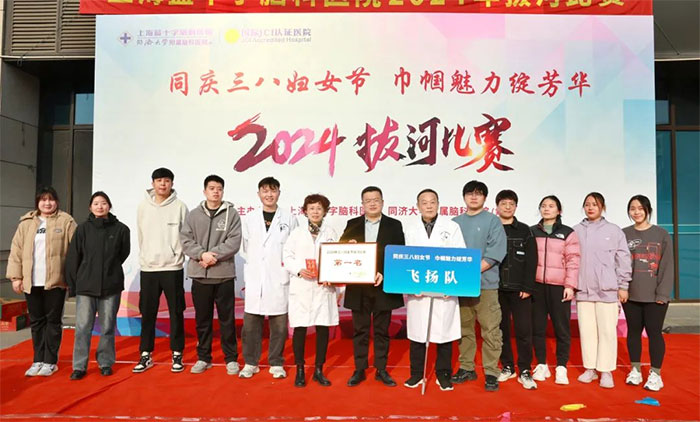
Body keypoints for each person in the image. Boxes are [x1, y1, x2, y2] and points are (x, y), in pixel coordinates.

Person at [7, 187, 76, 377]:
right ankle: (37, 360)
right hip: (31, 281)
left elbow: (75, 250)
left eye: (51, 199)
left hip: (56, 281)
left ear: (57, 202)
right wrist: (16, 277)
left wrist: (71, 278)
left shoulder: (66, 221)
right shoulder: (27, 223)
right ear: (37, 203)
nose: (47, 203)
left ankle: (50, 361)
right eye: (43, 200)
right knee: (37, 321)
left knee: (53, 321)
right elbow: (16, 250)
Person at [340, 186, 405, 387]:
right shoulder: (352, 224)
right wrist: (347, 246)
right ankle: (359, 369)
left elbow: (399, 254)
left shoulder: (394, 225)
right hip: (359, 287)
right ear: (362, 204)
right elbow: (341, 251)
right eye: (368, 201)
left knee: (382, 331)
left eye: (376, 200)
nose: (372, 203)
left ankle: (381, 369)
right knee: (360, 330)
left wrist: (384, 273)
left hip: (382, 285)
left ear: (382, 202)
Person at [403, 189, 465, 392]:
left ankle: (443, 374)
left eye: (432, 202)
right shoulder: (410, 228)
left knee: (444, 333)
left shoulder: (452, 227)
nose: (429, 206)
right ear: (417, 206)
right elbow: (404, 259)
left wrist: (451, 286)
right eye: (424, 202)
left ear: (438, 204)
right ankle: (416, 374)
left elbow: (460, 256)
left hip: (444, 288)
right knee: (418, 332)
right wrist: (410, 285)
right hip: (418, 289)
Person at [180, 175, 242, 375]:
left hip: (223, 275)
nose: (216, 192)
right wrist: (201, 255)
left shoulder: (232, 214)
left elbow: (234, 241)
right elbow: (185, 240)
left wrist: (212, 256)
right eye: (212, 188)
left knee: (227, 320)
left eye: (219, 188)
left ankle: (231, 358)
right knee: (202, 320)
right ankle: (203, 357)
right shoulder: (193, 215)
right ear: (204, 191)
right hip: (200, 276)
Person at [65, 191, 130, 380]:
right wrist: (73, 283)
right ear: (90, 207)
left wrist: (109, 269)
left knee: (108, 326)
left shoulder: (121, 229)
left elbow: (123, 254)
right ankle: (79, 366)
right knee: (83, 327)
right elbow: (74, 256)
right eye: (96, 203)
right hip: (86, 285)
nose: (100, 206)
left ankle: (105, 362)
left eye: (103, 203)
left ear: (109, 206)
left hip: (111, 285)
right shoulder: (82, 229)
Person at [239, 177, 298, 379]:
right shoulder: (249, 218)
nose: (269, 195)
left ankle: (276, 362)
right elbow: (245, 247)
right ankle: (250, 362)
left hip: (279, 277)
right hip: (256, 277)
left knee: (279, 324)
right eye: (265, 191)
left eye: (273, 191)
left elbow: (294, 248)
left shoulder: (289, 218)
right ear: (259, 194)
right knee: (250, 325)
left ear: (279, 193)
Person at [451, 181, 506, 392]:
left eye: (478, 194)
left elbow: (495, 253)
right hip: (460, 286)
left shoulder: (493, 221)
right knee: (464, 328)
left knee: (490, 329)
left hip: (486, 285)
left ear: (485, 198)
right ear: (463, 197)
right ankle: (467, 367)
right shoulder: (454, 223)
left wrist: (468, 272)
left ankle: (491, 371)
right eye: (470, 193)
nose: (473, 197)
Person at [133, 167, 189, 374]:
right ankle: (145, 353)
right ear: (153, 183)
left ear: (172, 183)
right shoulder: (143, 207)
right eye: (159, 180)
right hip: (149, 268)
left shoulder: (180, 206)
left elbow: (186, 235)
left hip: (172, 267)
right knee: (148, 313)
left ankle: (177, 353)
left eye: (166, 180)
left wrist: (176, 255)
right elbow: (141, 235)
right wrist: (146, 256)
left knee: (176, 312)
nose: (163, 184)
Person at [574, 192, 632, 389]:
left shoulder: (614, 231)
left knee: (607, 331)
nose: (590, 207)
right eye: (587, 204)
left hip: (608, 290)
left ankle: (606, 370)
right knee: (587, 331)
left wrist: (623, 285)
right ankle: (590, 368)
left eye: (595, 204)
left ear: (602, 207)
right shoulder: (575, 231)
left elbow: (623, 259)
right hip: (583, 290)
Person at [283, 194, 340, 387]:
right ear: (305, 211)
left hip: (324, 287)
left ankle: (318, 370)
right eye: (312, 208)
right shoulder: (297, 233)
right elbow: (287, 256)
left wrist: (334, 279)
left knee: (323, 328)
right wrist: (299, 270)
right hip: (303, 286)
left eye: (319, 208)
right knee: (300, 328)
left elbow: (338, 258)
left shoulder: (331, 232)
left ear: (325, 211)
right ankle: (300, 369)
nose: (315, 212)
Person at [622, 195, 673, 392]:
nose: (636, 212)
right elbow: (620, 264)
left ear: (648, 210)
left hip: (655, 296)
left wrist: (662, 294)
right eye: (632, 208)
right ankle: (635, 370)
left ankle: (655, 374)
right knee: (633, 332)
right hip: (631, 295)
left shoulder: (661, 234)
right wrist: (622, 288)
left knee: (654, 333)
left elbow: (667, 266)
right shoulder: (624, 234)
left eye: (640, 208)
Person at [530, 195, 580, 385]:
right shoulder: (532, 231)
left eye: (551, 206)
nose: (546, 209)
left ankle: (561, 367)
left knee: (562, 329)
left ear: (559, 211)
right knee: (537, 328)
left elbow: (573, 260)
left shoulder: (568, 233)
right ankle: (541, 364)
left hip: (559, 287)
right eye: (543, 206)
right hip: (537, 286)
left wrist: (570, 285)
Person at [494, 190, 538, 390]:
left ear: (516, 207)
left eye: (511, 204)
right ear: (497, 206)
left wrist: (528, 287)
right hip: (496, 288)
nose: (507, 207)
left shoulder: (525, 230)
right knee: (501, 329)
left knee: (523, 330)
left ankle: (525, 369)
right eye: (504, 203)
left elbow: (532, 260)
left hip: (520, 290)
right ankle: (507, 366)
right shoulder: (492, 228)